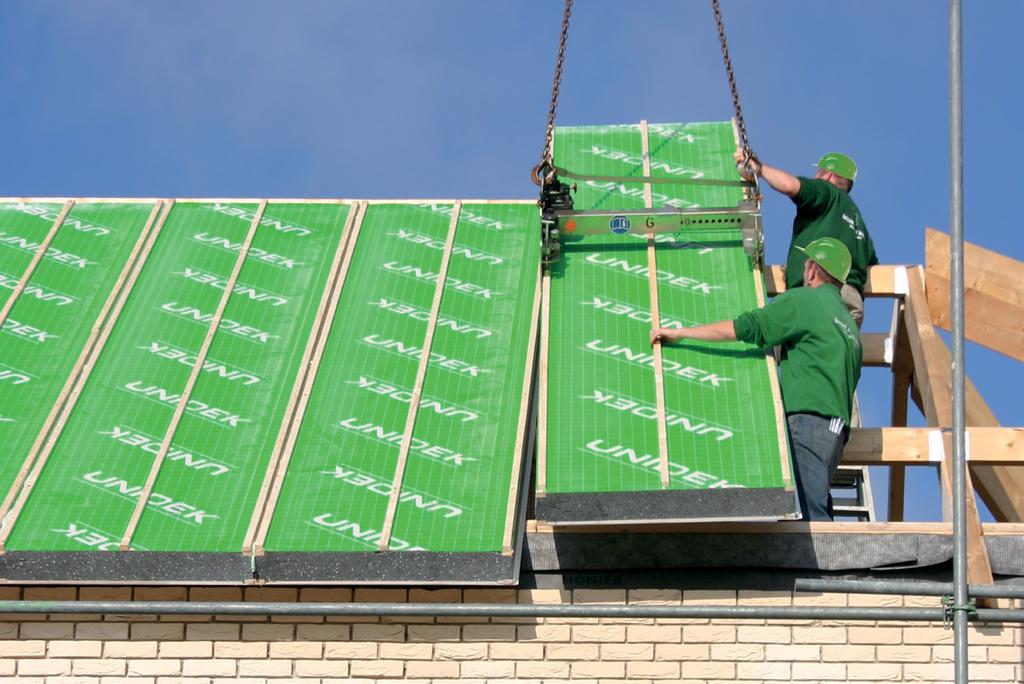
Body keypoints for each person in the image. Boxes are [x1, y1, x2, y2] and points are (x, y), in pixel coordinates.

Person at [650, 237, 862, 521]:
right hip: (837, 431)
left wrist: (682, 332)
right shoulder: (849, 326)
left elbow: (747, 328)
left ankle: (825, 565)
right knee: (816, 503)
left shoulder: (805, 302)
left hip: (809, 420)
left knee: (811, 521)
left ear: (812, 269)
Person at [734, 149, 878, 327]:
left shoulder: (826, 192)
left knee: (786, 341)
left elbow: (791, 186)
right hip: (849, 303)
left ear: (827, 175)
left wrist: (759, 168)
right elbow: (873, 266)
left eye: (818, 172)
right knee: (835, 351)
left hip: (818, 293)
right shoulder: (859, 223)